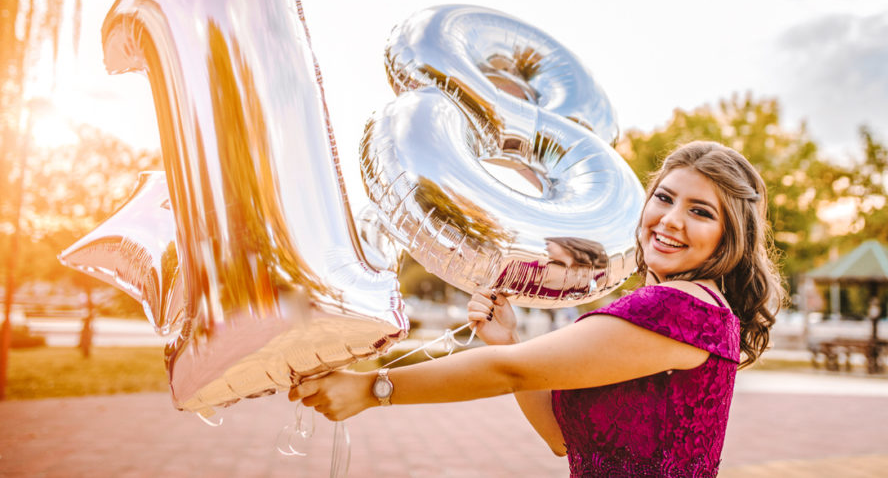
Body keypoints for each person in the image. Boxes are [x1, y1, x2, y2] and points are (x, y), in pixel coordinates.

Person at [291, 141, 785, 476]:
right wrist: (508, 339)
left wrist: (373, 389)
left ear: (730, 235)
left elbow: (509, 371)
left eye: (700, 211)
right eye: (664, 198)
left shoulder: (683, 309)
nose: (671, 220)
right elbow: (561, 439)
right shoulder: (692, 311)